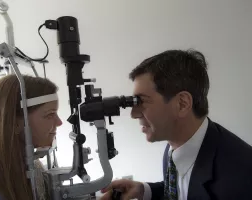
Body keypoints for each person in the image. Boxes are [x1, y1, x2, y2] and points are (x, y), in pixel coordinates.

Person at [100, 49, 252, 200]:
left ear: (182, 104)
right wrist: (144, 190)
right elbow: (183, 188)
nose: (133, 114)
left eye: (141, 101)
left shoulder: (241, 178)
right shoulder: (177, 145)